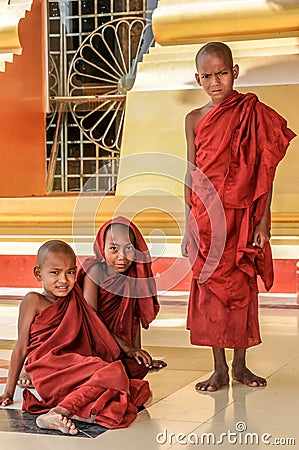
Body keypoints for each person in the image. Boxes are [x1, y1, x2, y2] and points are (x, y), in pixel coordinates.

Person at [181, 42, 296, 392]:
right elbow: (191, 170)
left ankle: (241, 367)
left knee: (242, 288)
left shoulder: (253, 112)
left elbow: (265, 171)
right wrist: (188, 222)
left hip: (244, 215)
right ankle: (218, 367)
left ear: (235, 72)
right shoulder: (194, 119)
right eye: (208, 76)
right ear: (197, 78)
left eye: (222, 73)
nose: (216, 81)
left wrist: (263, 222)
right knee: (211, 293)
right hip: (206, 216)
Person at [0, 240, 150, 434]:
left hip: (71, 366)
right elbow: (21, 347)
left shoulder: (75, 297)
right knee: (114, 373)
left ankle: (71, 407)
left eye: (70, 272)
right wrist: (8, 392)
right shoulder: (33, 300)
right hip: (49, 372)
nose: (64, 280)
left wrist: (128, 349)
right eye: (55, 272)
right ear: (38, 273)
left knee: (139, 388)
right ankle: (60, 411)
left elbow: (95, 324)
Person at [77, 216, 167, 375]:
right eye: (113, 248)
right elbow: (91, 319)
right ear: (101, 247)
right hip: (91, 341)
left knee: (137, 368)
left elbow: (134, 317)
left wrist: (138, 353)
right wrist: (127, 348)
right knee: (100, 370)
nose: (122, 256)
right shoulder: (95, 272)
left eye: (129, 248)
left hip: (117, 346)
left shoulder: (133, 275)